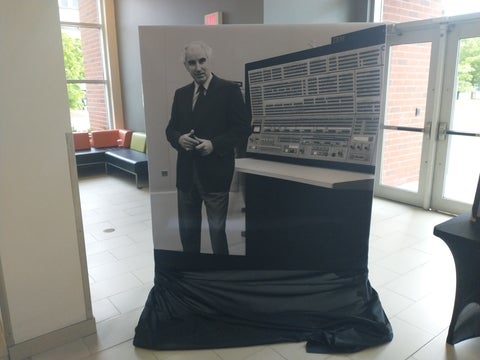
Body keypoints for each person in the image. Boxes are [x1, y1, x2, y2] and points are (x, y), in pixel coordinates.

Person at [165, 41, 251, 255]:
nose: (198, 67)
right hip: (186, 177)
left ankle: (220, 276)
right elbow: (170, 130)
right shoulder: (181, 94)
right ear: (186, 66)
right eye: (192, 63)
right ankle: (193, 274)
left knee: (217, 235)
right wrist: (180, 139)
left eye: (202, 61)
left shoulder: (229, 90)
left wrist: (214, 145)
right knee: (188, 233)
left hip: (215, 175)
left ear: (209, 60)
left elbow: (242, 129)